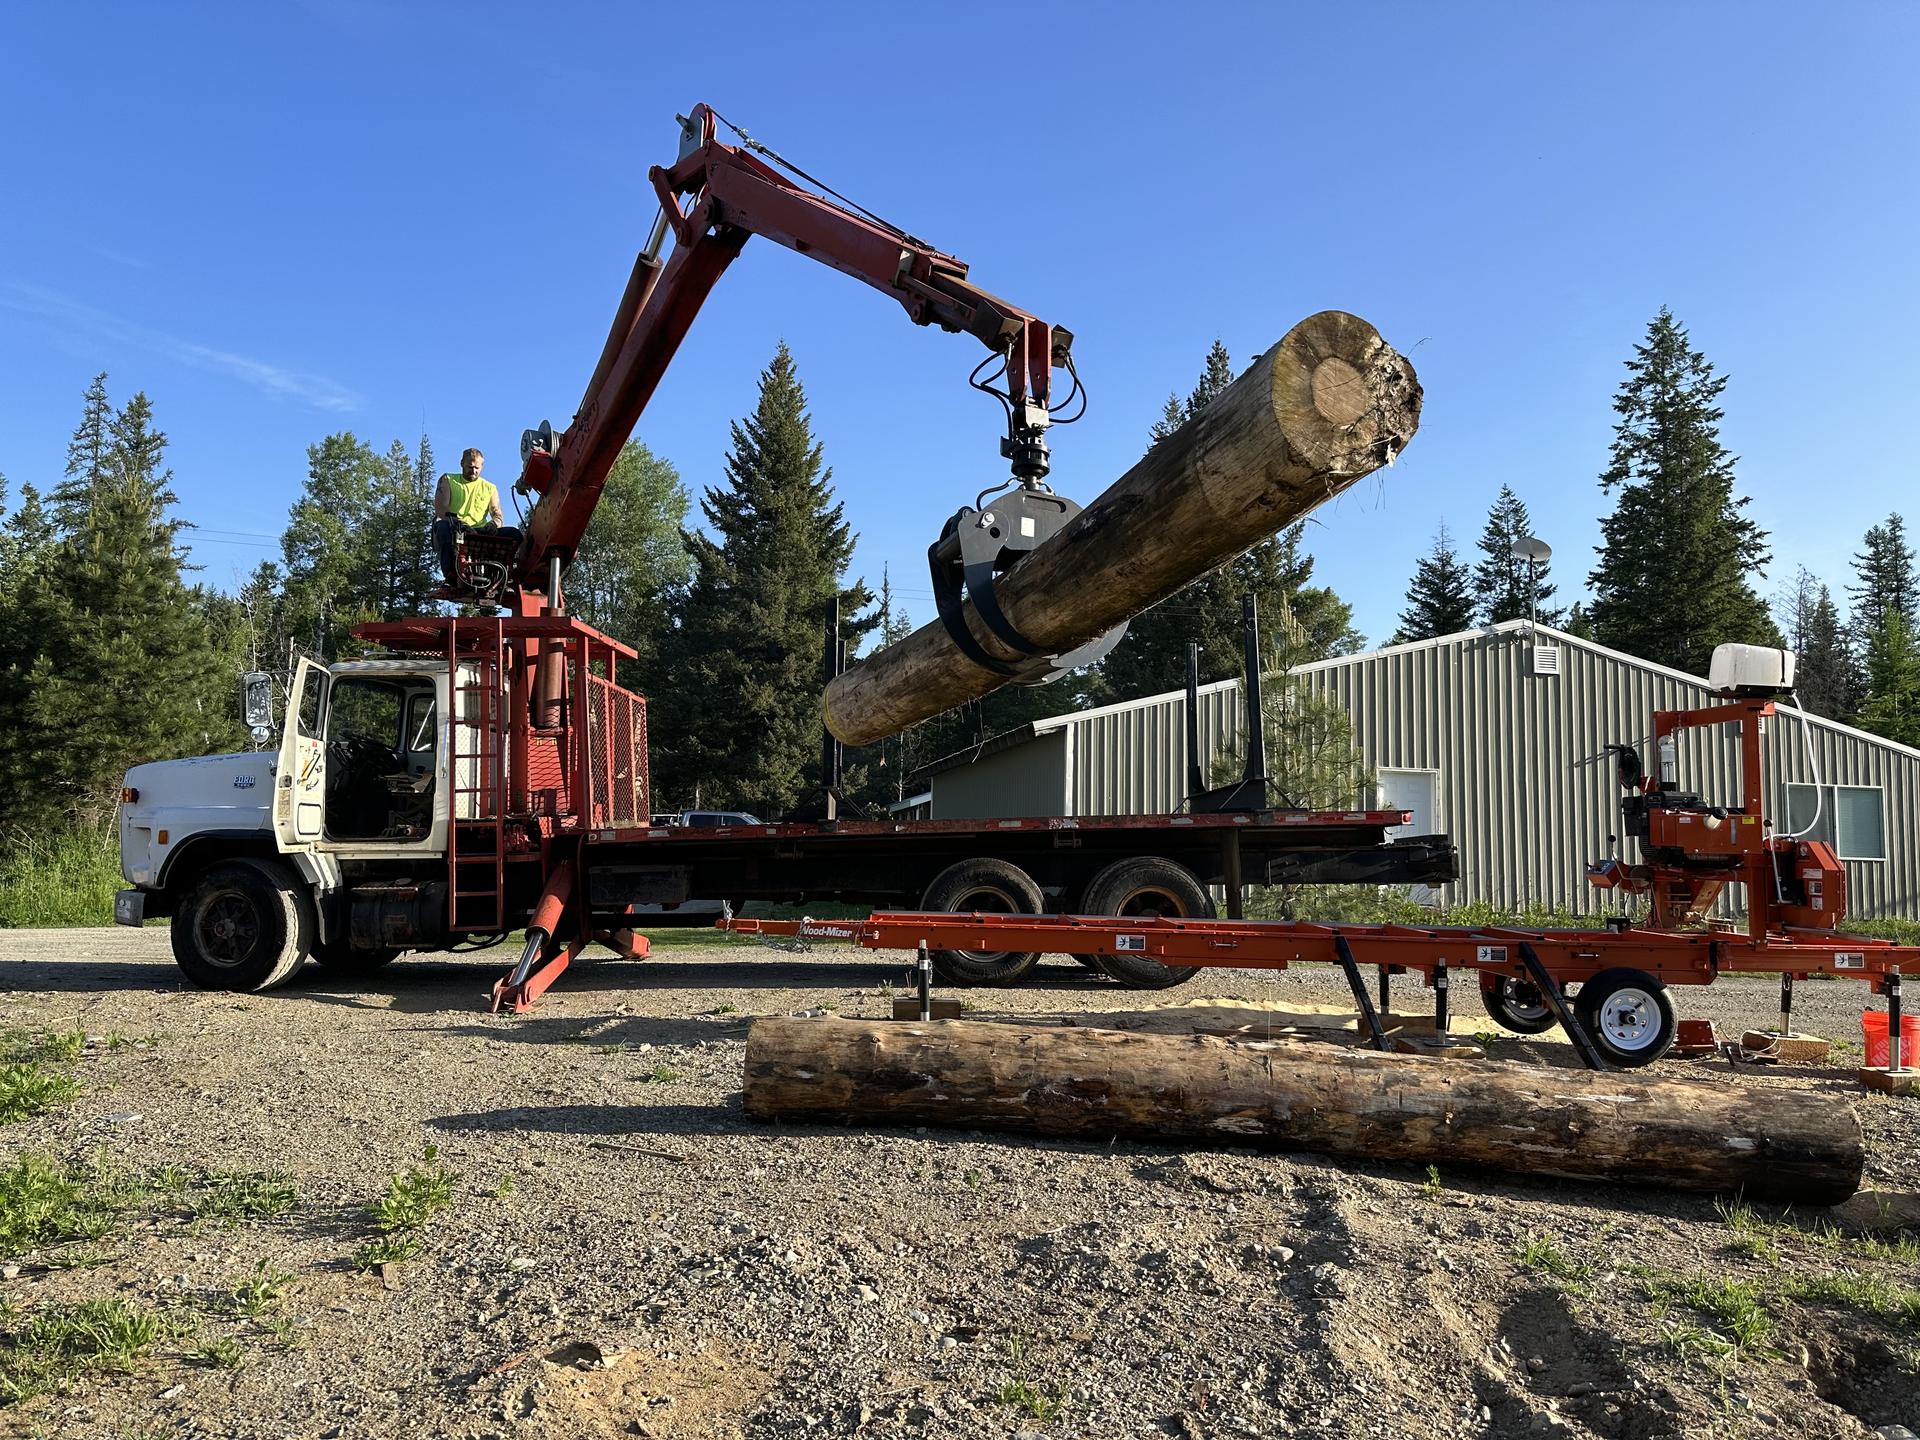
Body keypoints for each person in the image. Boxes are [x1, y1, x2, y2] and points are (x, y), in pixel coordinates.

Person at [432, 447, 509, 586]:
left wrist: (494, 524)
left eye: (477, 468)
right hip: (456, 528)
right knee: (442, 526)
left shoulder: (490, 488)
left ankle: (503, 577)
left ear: (482, 467)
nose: (473, 471)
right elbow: (441, 509)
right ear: (462, 463)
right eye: (470, 467)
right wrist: (458, 523)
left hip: (479, 530)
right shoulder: (448, 480)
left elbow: (497, 515)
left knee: (513, 534)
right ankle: (450, 574)